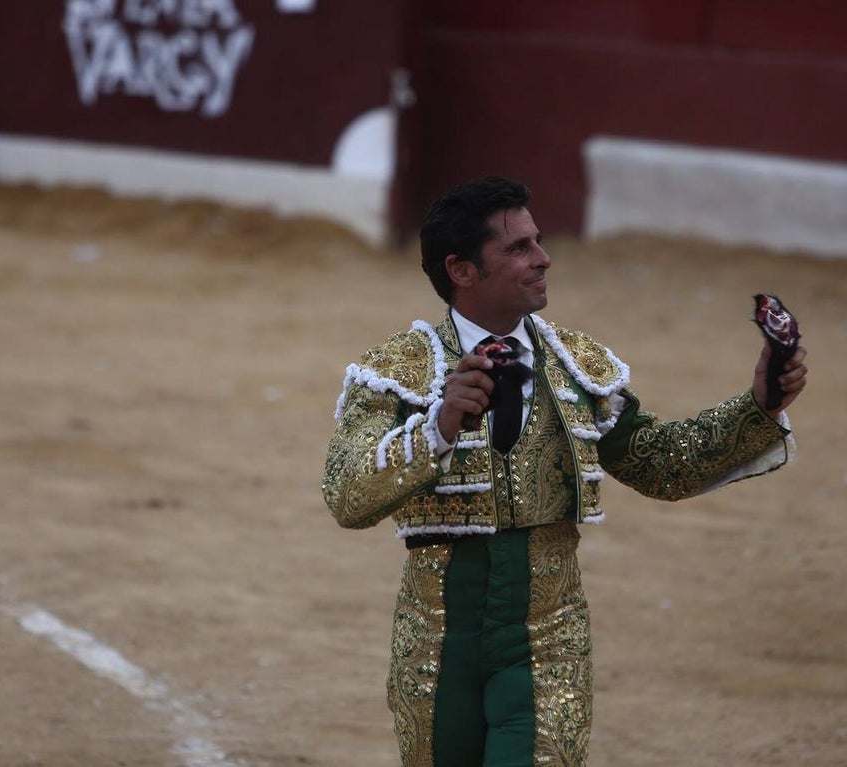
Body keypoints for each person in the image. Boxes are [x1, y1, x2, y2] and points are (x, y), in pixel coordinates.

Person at [321, 176, 808, 767]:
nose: (543, 258)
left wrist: (757, 407)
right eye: (519, 248)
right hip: (435, 642)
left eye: (537, 241)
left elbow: (660, 464)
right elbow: (346, 495)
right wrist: (440, 424)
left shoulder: (578, 367)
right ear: (462, 269)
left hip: (545, 640)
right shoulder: (398, 371)